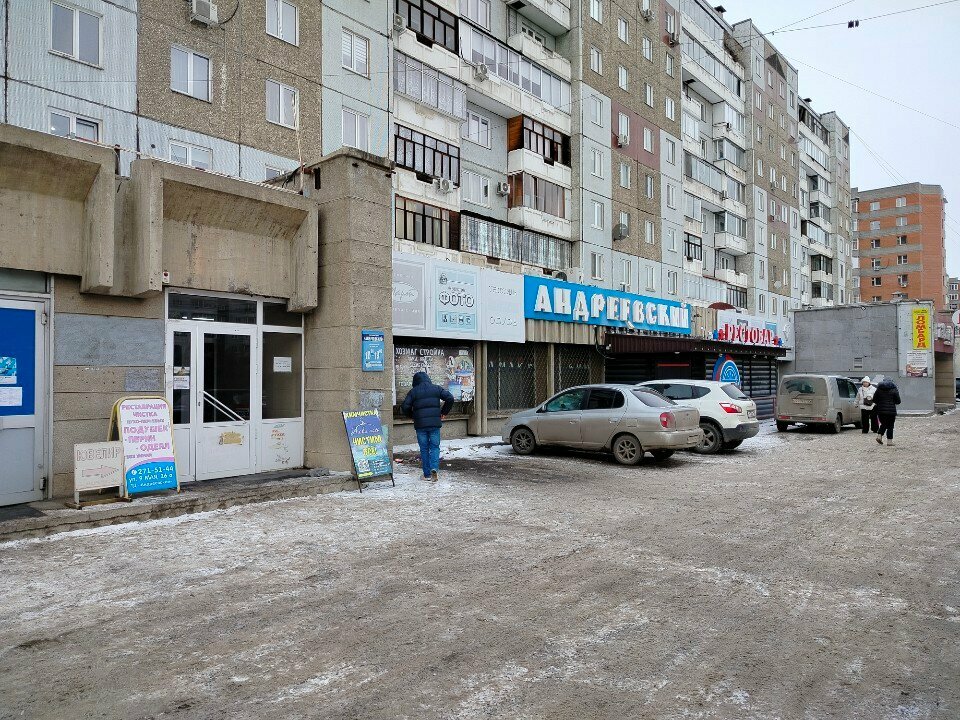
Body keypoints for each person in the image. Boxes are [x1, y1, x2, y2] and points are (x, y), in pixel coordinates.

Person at [401, 371, 454, 481]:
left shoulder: (413, 392)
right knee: (434, 447)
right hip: (434, 424)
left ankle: (427, 474)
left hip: (420, 425)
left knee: (424, 449)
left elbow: (405, 406)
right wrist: (444, 412)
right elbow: (450, 398)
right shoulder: (436, 388)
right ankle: (434, 469)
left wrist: (412, 416)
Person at [871, 378, 901, 446]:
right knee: (890, 426)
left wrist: (880, 402)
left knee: (884, 424)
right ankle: (889, 441)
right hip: (891, 411)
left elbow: (874, 400)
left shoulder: (879, 389)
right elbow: (898, 401)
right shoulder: (894, 389)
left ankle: (879, 436)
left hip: (881, 411)